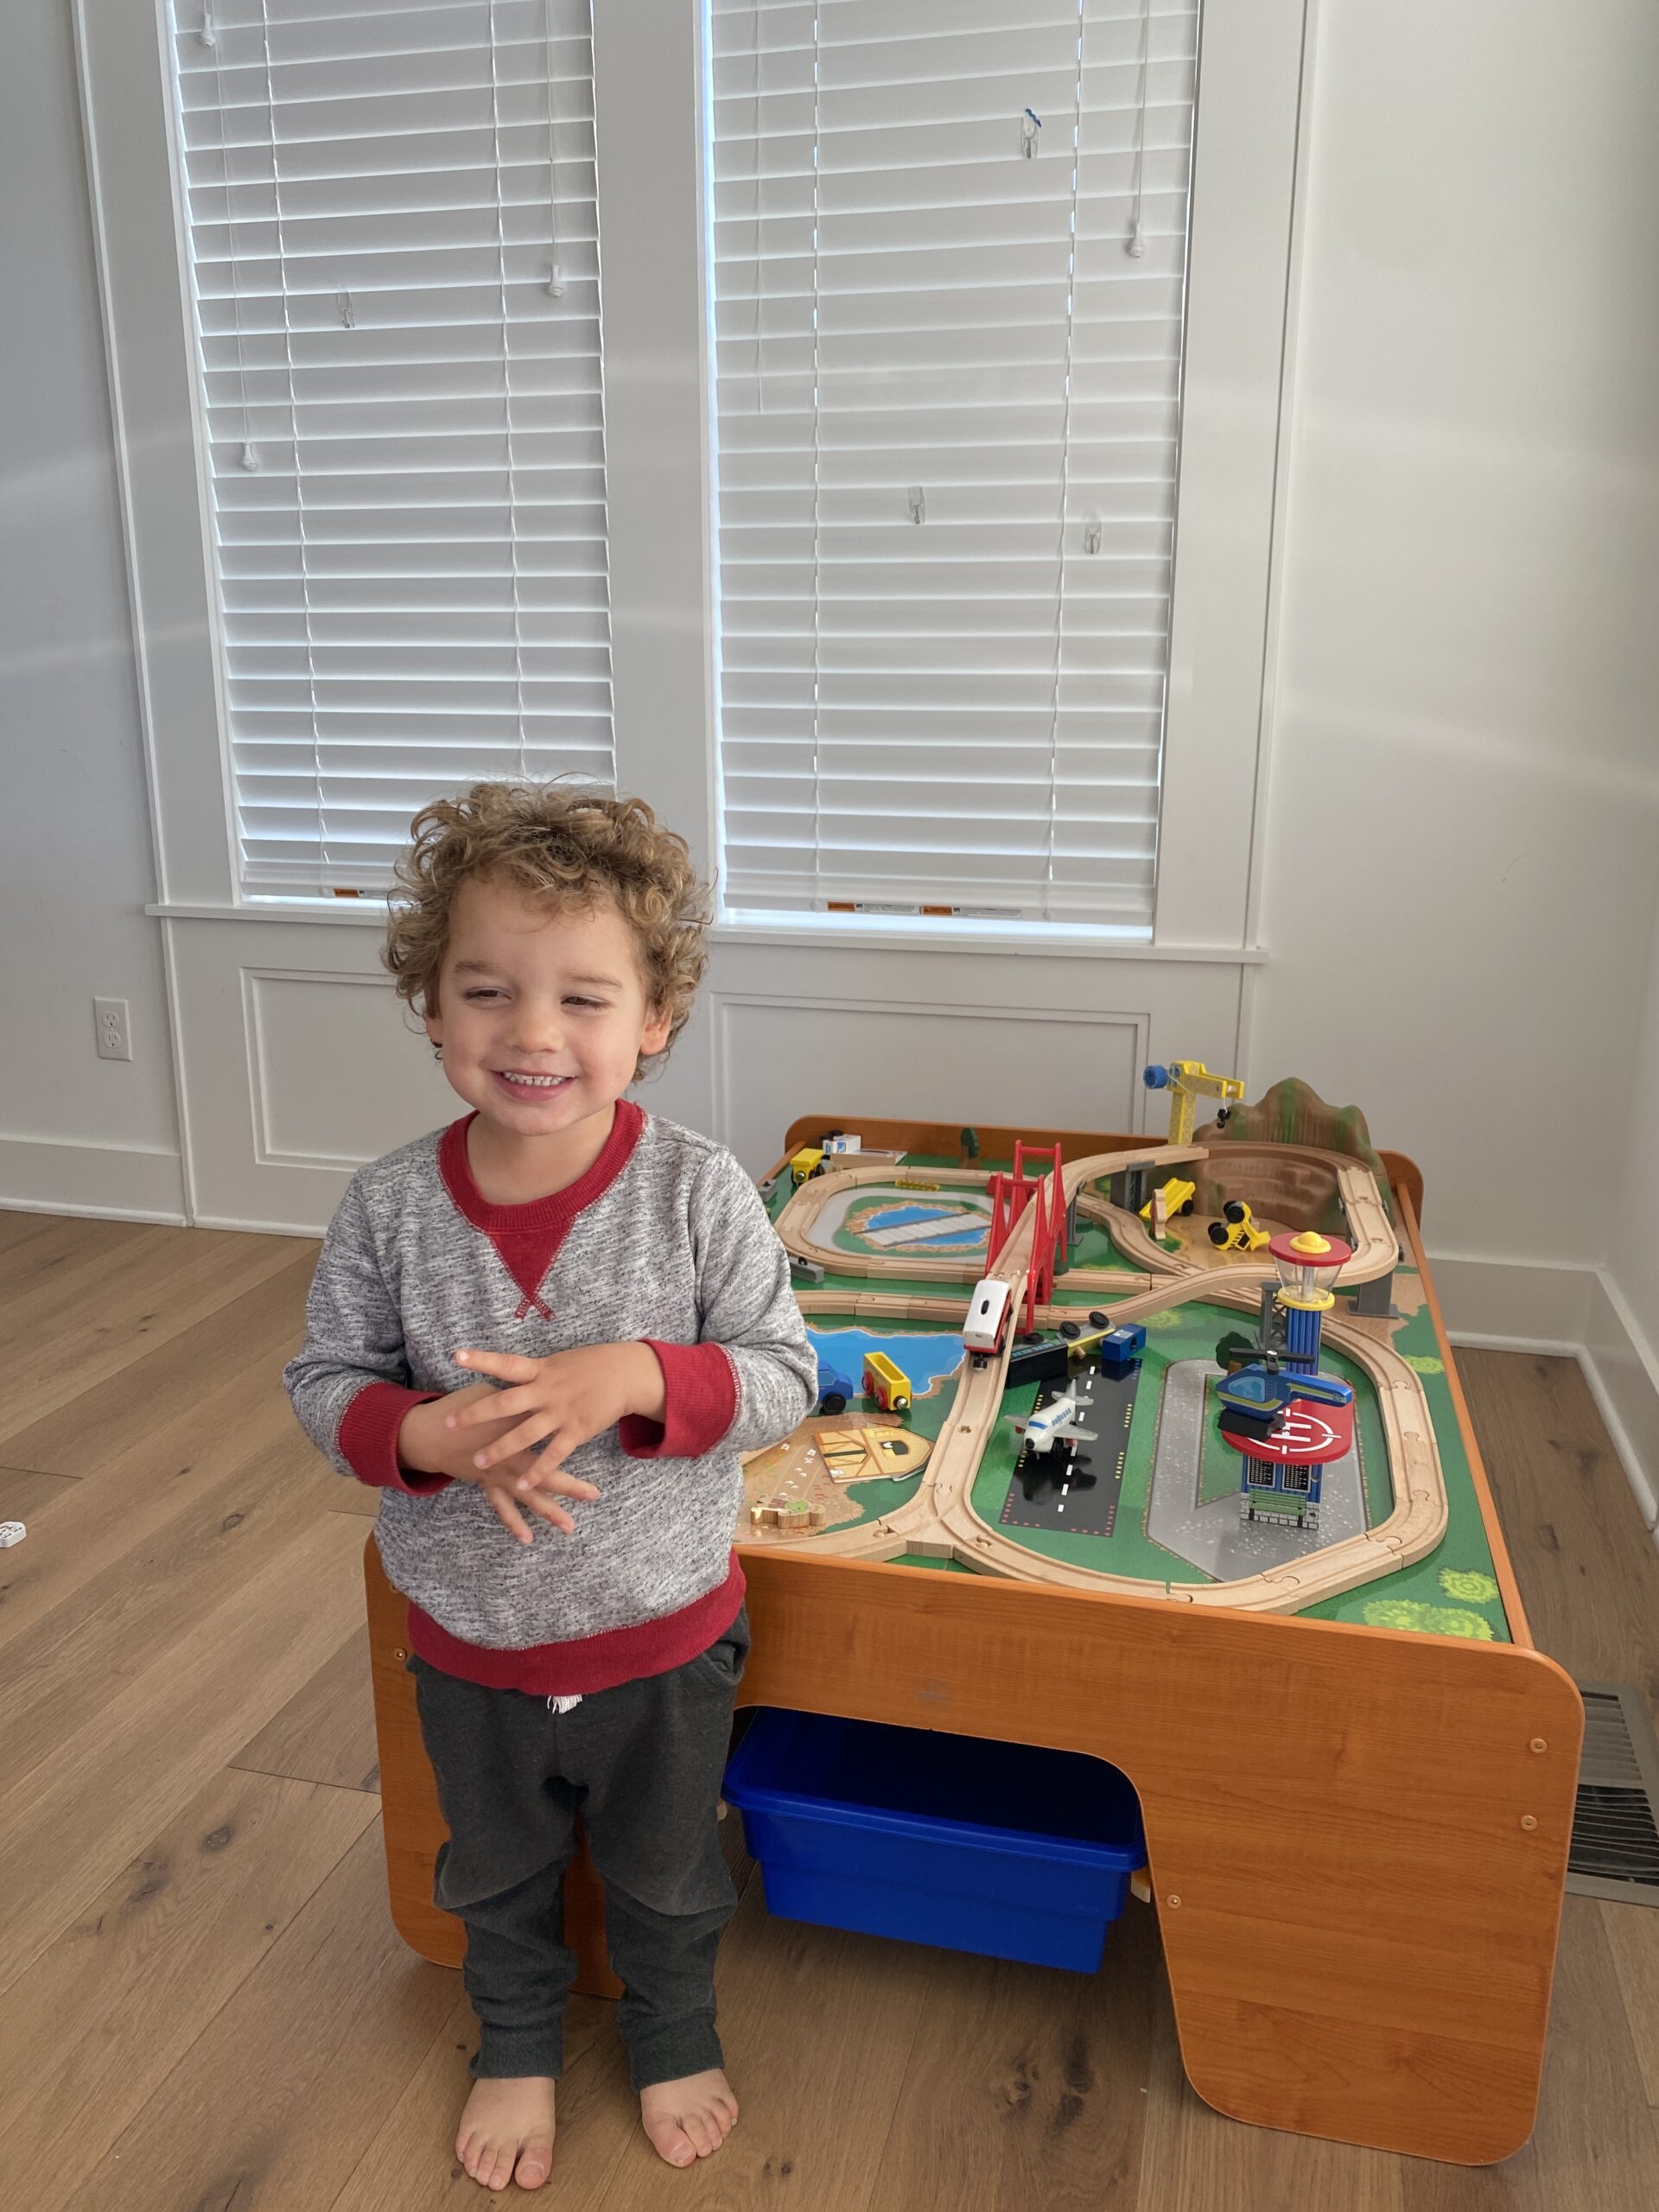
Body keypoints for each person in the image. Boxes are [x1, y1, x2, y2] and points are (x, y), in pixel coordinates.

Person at [284, 782, 816, 2192]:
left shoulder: (702, 1194)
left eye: (583, 998)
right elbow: (323, 1382)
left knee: (667, 1872)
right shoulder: (388, 1207)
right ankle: (512, 2040)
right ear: (433, 1008)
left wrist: (636, 1373)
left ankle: (674, 2030)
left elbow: (780, 1375)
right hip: (466, 1640)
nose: (532, 1033)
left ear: (654, 1020)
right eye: (487, 990)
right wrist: (425, 1438)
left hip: (665, 1639)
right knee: (495, 1871)